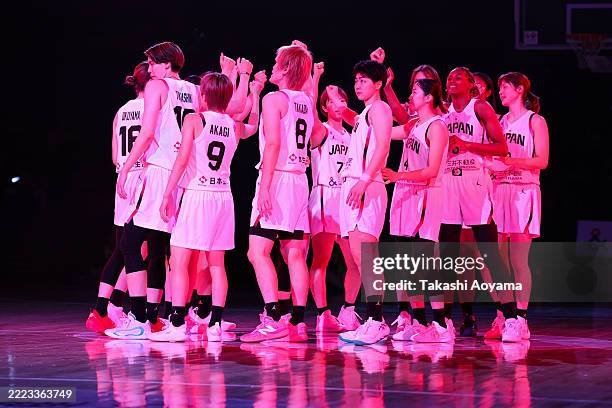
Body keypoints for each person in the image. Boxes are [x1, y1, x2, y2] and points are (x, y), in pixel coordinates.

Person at [149, 72, 262, 342]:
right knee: (217, 265)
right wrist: (255, 96)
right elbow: (254, 127)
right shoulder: (234, 125)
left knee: (179, 261)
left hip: (197, 193)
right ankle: (215, 325)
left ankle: (176, 323)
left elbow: (182, 159)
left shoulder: (194, 119)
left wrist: (166, 194)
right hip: (223, 197)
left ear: (203, 95)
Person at [241, 42, 325, 343]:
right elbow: (317, 137)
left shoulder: (274, 99)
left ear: (287, 68)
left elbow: (274, 144)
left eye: (277, 63)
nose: (273, 67)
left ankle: (274, 318)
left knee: (257, 251)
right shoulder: (305, 99)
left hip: (277, 177)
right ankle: (299, 323)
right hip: (300, 179)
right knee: (295, 254)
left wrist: (264, 187)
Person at [439, 67, 519, 341]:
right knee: (447, 256)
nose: (451, 80)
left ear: (471, 85)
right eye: (448, 77)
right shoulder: (442, 113)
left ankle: (512, 318)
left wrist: (467, 144)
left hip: (475, 182)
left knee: (490, 254)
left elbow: (502, 147)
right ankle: (444, 321)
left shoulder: (480, 107)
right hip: (448, 182)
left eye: (457, 77)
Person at [327, 59, 393, 346]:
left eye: (364, 80)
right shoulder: (366, 112)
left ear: (378, 84)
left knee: (366, 255)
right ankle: (373, 319)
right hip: (353, 185)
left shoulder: (380, 108)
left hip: (367, 184)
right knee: (357, 255)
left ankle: (376, 320)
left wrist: (365, 179)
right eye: (356, 80)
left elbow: (383, 145)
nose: (358, 84)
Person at [382, 77, 452, 343]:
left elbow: (433, 170)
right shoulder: (414, 125)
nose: (410, 96)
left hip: (425, 195)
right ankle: (421, 322)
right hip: (406, 195)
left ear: (429, 97)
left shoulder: (437, 127)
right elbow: (383, 132)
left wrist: (398, 176)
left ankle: (441, 325)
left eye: (414, 92)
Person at [86, 61, 149, 334]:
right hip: (144, 178)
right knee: (136, 248)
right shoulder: (154, 109)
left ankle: (105, 307)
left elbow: (114, 156)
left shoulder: (121, 111)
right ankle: (111, 308)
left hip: (122, 178)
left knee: (126, 247)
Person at [485, 72, 549, 342]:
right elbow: (490, 157)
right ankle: (505, 314)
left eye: (504, 87)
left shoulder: (535, 121)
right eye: (499, 88)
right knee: (496, 264)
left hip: (524, 191)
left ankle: (521, 319)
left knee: (518, 260)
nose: (500, 92)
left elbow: (542, 160)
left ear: (520, 89)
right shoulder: (499, 122)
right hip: (500, 192)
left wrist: (511, 163)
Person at [309, 66, 361, 333]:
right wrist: (316, 78)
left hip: (346, 197)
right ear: (325, 106)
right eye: (333, 100)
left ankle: (348, 310)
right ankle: (322, 314)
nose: (339, 104)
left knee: (355, 262)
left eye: (343, 99)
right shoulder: (322, 131)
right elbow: (308, 103)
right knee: (321, 259)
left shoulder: (352, 135)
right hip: (324, 195)